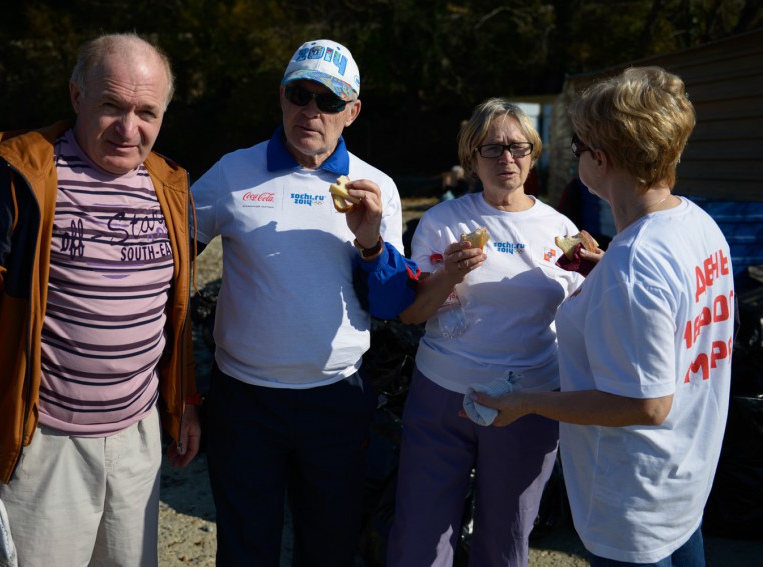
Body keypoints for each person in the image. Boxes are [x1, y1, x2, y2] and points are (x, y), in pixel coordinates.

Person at [0, 33, 201, 566]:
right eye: (112, 106)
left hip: (138, 438)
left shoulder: (171, 186)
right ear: (77, 95)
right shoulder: (15, 174)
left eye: (147, 112)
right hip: (41, 442)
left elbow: (171, 312)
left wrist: (184, 401)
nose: (129, 129)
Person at [475, 66, 735, 566]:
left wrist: (526, 402)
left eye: (578, 147)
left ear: (601, 158)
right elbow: (679, 320)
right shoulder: (697, 224)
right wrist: (605, 275)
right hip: (683, 479)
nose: (576, 157)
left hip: (633, 501)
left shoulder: (635, 263)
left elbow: (646, 404)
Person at [191, 38, 419, 566]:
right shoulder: (232, 173)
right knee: (245, 546)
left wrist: (370, 242)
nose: (311, 111)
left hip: (336, 398)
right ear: (282, 97)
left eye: (329, 101)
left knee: (329, 546)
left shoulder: (375, 186)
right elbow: (167, 257)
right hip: (245, 398)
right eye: (300, 94)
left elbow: (391, 305)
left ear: (352, 112)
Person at [387, 98, 586, 567]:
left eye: (518, 147)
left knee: (506, 537)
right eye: (492, 148)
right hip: (443, 394)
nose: (507, 158)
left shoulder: (560, 229)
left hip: (529, 401)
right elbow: (412, 315)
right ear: (471, 158)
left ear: (533, 154)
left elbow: (579, 317)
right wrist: (449, 275)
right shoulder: (443, 222)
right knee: (420, 537)